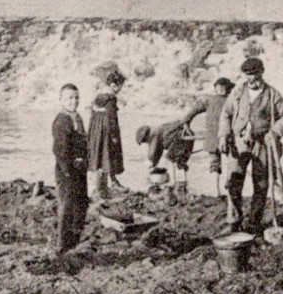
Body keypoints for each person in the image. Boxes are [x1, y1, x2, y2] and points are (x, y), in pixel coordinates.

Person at [219, 57, 283, 234]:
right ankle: (234, 221)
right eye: (248, 75)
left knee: (261, 184)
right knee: (233, 181)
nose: (251, 79)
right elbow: (226, 113)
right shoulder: (238, 92)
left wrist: (276, 131)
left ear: (262, 72)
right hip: (239, 142)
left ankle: (253, 223)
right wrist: (224, 135)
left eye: (255, 75)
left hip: (262, 143)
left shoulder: (273, 95)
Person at [51, 84, 89, 254]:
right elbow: (60, 151)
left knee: (80, 205)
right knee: (67, 207)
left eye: (76, 97)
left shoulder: (77, 118)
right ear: (61, 100)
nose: (74, 101)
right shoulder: (61, 121)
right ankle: (62, 246)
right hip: (67, 171)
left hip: (79, 169)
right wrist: (68, 170)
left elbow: (82, 143)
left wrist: (84, 162)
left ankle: (74, 243)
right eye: (69, 98)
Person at [135, 108, 200, 191]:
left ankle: (177, 182)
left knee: (172, 159)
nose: (146, 143)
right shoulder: (161, 128)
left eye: (145, 141)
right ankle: (181, 182)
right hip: (185, 136)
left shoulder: (155, 134)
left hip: (180, 140)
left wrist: (152, 164)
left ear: (147, 136)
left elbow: (153, 153)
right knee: (179, 161)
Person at [87, 70, 126, 198]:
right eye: (120, 86)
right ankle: (111, 184)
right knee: (110, 154)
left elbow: (93, 113)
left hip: (96, 131)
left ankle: (101, 185)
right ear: (115, 85)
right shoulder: (111, 98)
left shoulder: (98, 96)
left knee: (99, 155)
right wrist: (114, 136)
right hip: (107, 132)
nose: (120, 89)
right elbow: (111, 118)